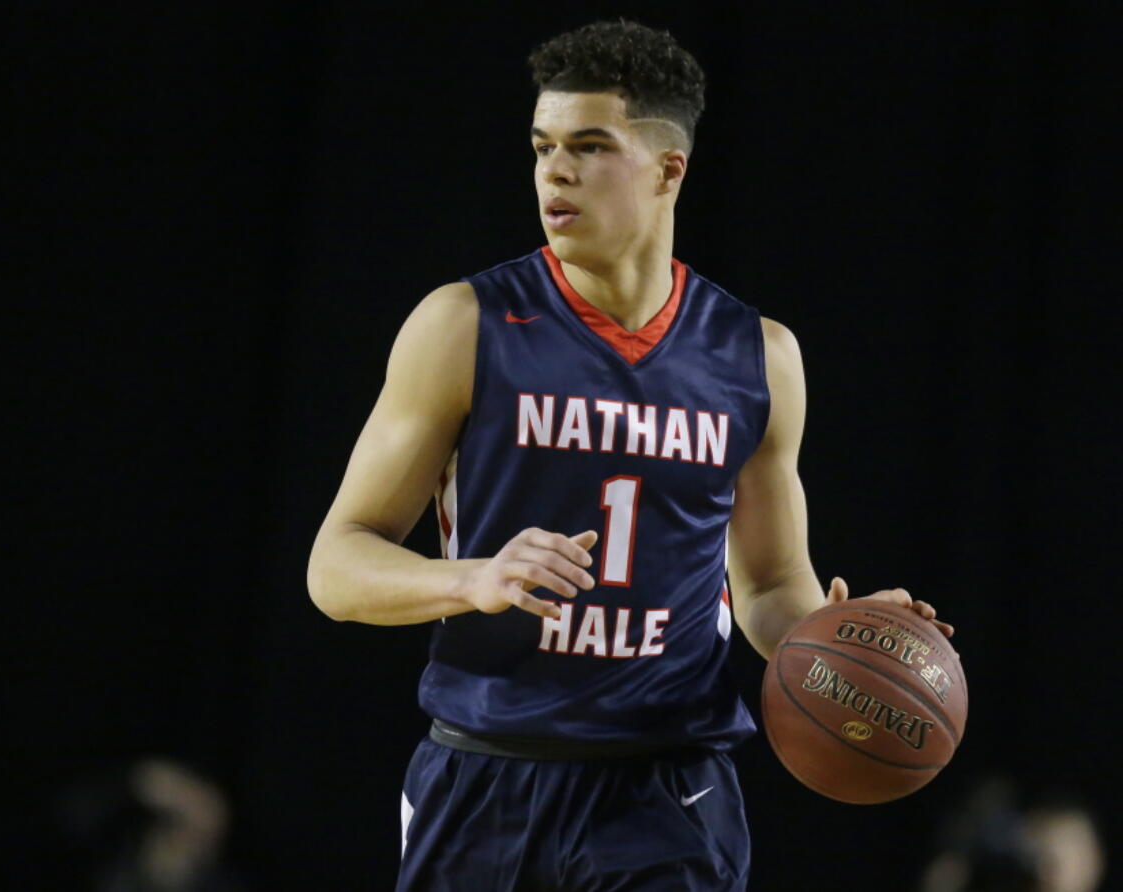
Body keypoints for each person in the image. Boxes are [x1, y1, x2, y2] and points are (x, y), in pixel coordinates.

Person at [307, 19, 954, 891]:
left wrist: (835, 641)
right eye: (542, 146)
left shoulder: (758, 356)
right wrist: (470, 579)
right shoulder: (464, 326)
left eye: (588, 146)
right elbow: (336, 565)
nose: (554, 171)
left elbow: (764, 586)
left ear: (667, 169)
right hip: (486, 768)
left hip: (666, 784)